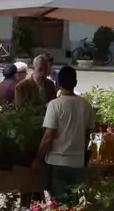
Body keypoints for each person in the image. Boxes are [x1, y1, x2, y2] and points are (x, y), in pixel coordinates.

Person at [34, 66, 96, 203]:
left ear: (58, 83)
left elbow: (48, 136)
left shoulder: (55, 105)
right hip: (78, 162)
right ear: (75, 83)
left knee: (60, 205)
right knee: (75, 205)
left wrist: (38, 158)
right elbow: (90, 135)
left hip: (57, 162)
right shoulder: (86, 105)